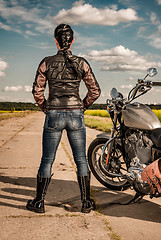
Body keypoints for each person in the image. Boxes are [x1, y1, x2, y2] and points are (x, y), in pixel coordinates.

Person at [26, 24, 101, 214]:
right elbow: (95, 91)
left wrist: (46, 107)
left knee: (47, 159)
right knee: (81, 159)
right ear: (72, 41)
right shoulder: (82, 63)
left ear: (55, 40)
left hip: (53, 113)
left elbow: (37, 91)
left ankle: (39, 202)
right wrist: (82, 106)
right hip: (76, 113)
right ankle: (86, 202)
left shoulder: (46, 62)